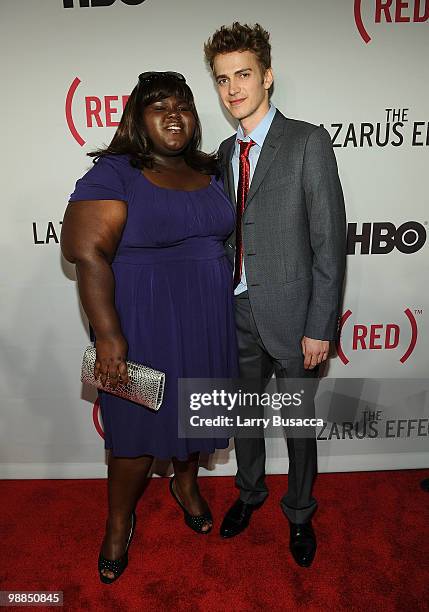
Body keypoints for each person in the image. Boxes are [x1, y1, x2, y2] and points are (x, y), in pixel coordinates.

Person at [60, 71, 238, 583]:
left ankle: (185, 485)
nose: (174, 114)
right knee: (134, 439)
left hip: (207, 316)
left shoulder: (210, 170)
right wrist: (109, 335)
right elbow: (86, 252)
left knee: (195, 416)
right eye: (159, 106)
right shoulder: (115, 172)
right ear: (137, 117)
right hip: (139, 321)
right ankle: (119, 522)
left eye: (182, 105)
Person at [204, 23, 346, 567]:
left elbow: (329, 242)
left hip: (293, 315)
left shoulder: (307, 141)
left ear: (267, 76)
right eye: (222, 79)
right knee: (243, 418)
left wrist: (320, 325)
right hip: (237, 309)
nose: (233, 88)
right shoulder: (222, 150)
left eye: (243, 74)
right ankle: (249, 494)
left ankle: (300, 513)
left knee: (298, 427)